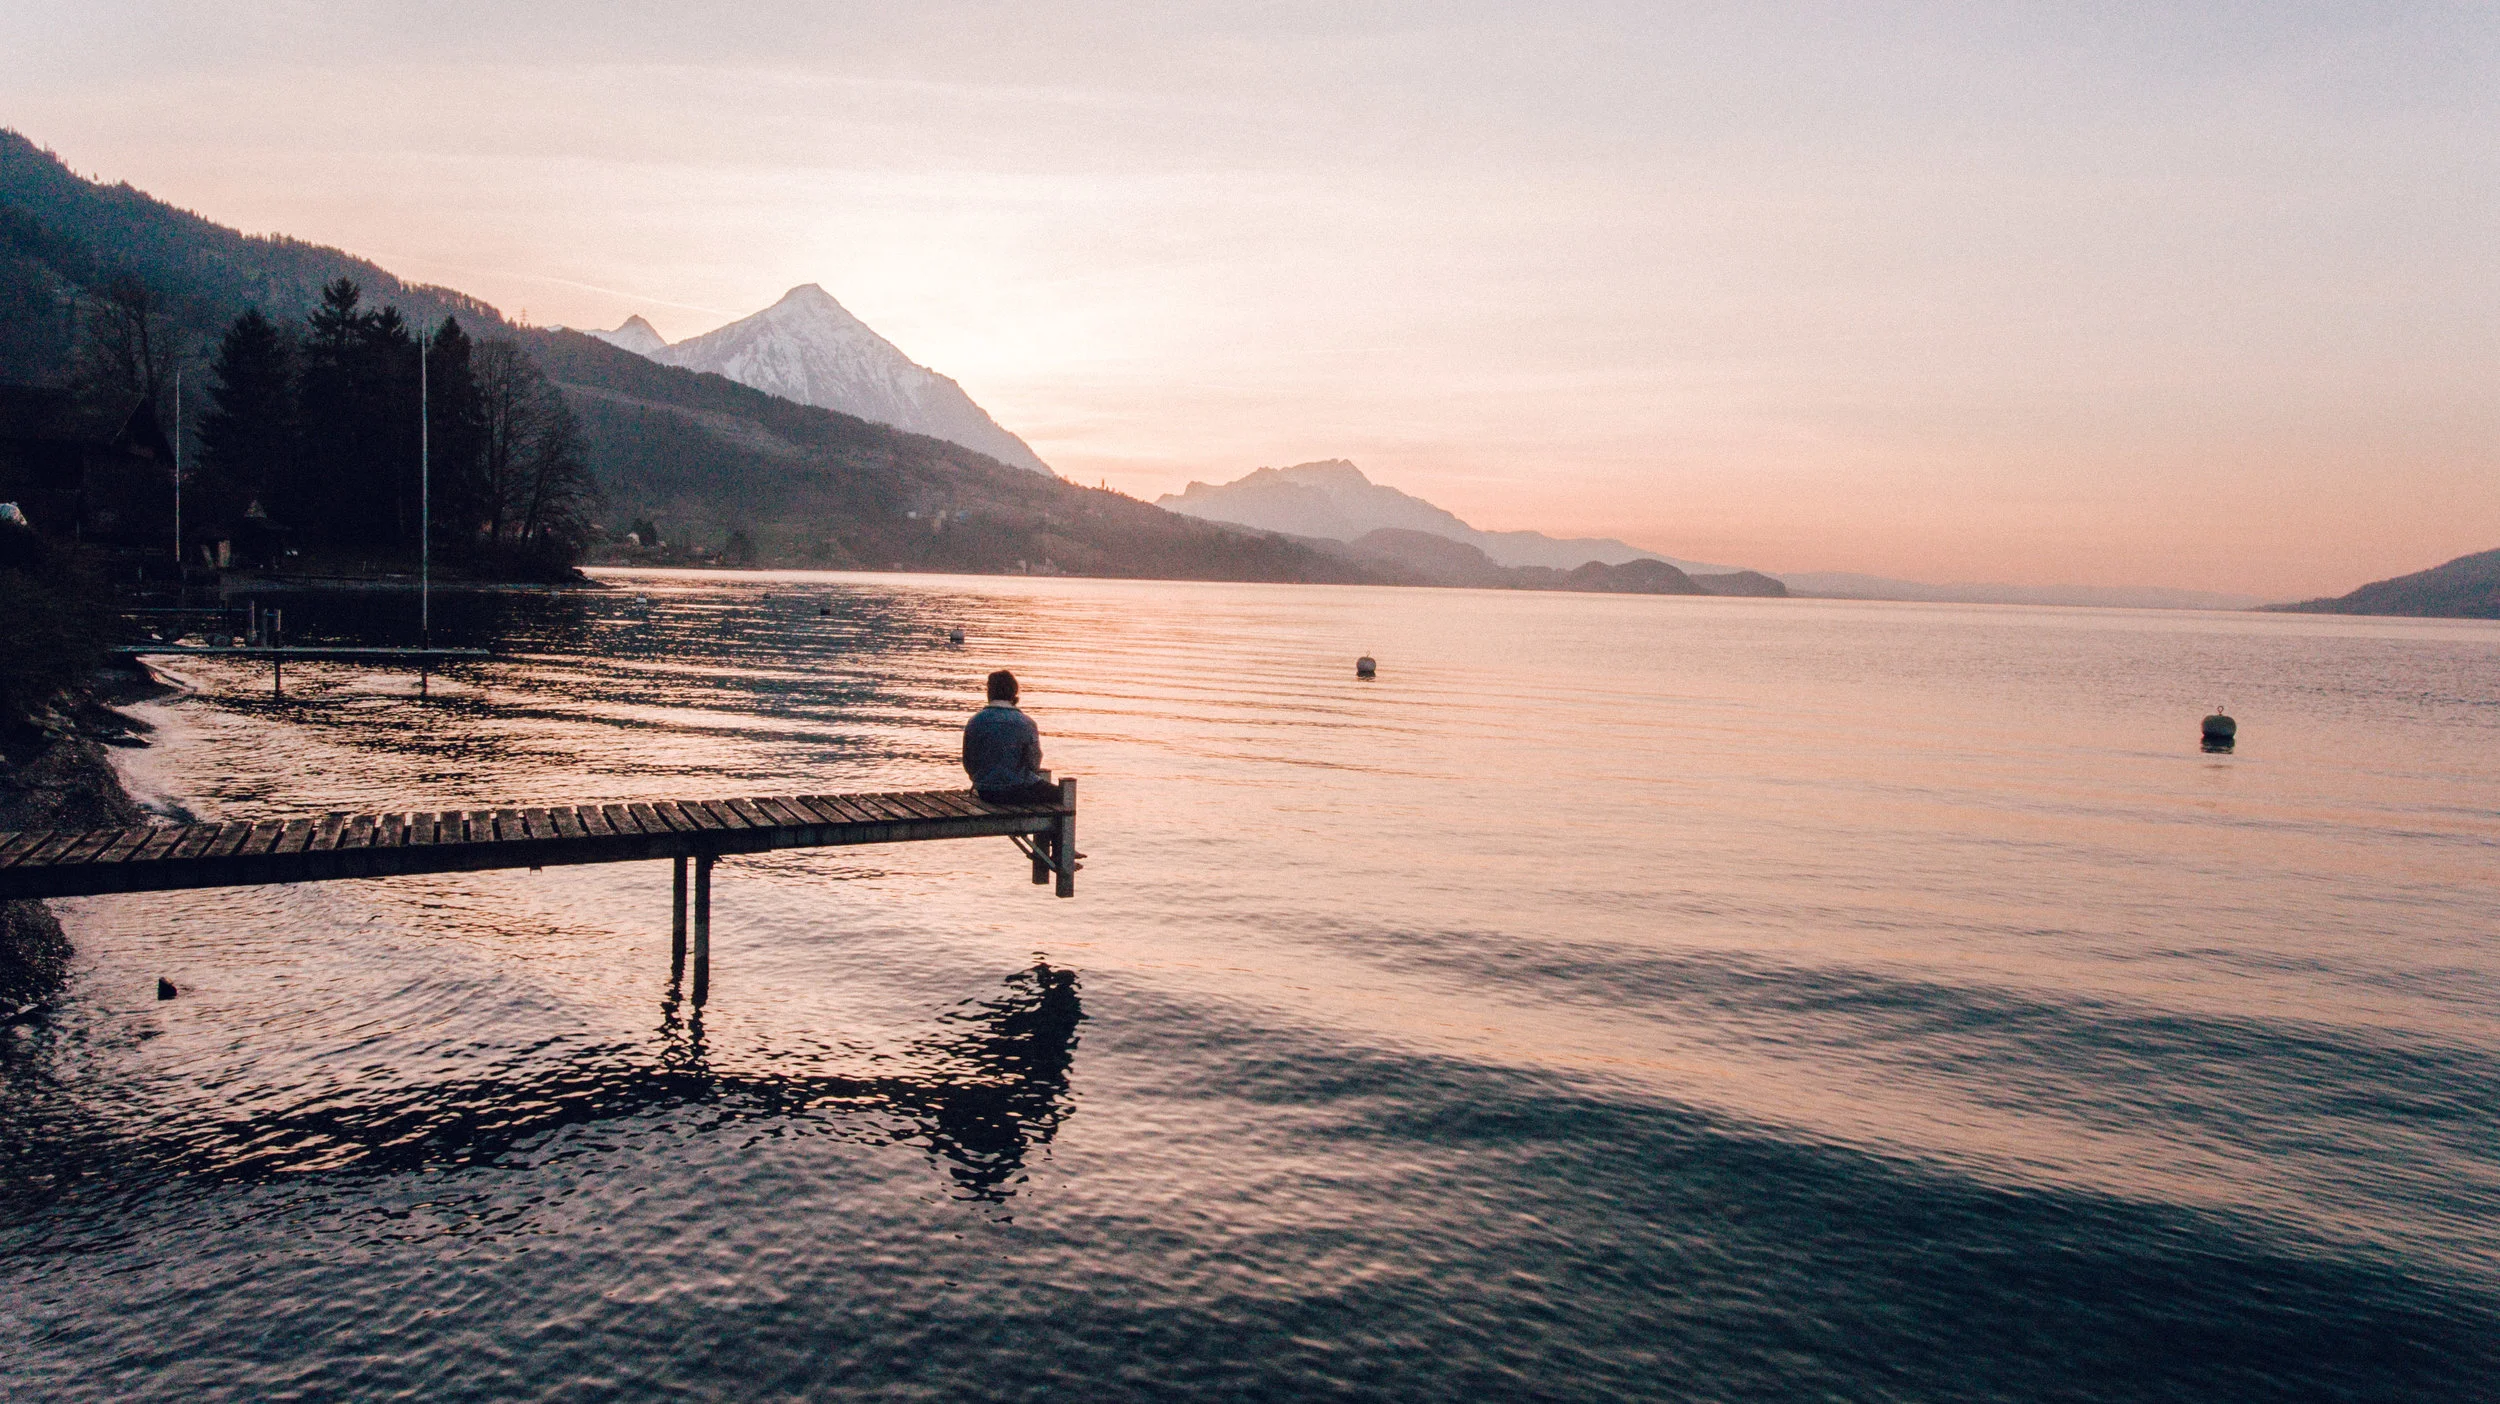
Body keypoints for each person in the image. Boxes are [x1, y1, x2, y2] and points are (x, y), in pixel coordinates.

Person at [963, 669, 1061, 804]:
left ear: (989, 692)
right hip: (1015, 790)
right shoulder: (1027, 723)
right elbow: (1034, 763)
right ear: (1014, 693)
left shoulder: (974, 721)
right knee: (1062, 795)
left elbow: (968, 762)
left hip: (985, 791)